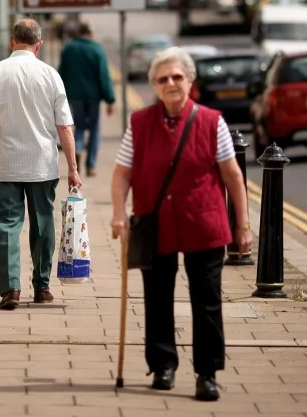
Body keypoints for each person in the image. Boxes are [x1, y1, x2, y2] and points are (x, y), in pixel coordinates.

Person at [109, 46, 252, 401]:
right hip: (154, 223)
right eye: (163, 79)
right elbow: (121, 173)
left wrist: (243, 225)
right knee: (157, 299)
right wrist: (117, 212)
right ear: (154, 85)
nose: (171, 83)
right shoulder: (140, 123)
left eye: (177, 77)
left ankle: (207, 373)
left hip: (203, 223)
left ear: (189, 80)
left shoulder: (211, 121)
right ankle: (163, 366)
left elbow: (232, 175)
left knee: (206, 301)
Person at [0, 18, 82, 310]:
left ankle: (10, 289)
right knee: (43, 224)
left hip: (2, 165)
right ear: (39, 45)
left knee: (6, 226)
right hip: (42, 165)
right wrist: (72, 167)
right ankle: (42, 286)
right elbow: (65, 128)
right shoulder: (50, 75)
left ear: (12, 42)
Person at [57, 22, 116, 177]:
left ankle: (78, 149)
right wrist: (110, 99)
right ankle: (91, 166)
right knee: (94, 129)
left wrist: (61, 95)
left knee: (80, 126)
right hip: (93, 97)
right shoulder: (96, 49)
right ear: (90, 33)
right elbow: (104, 76)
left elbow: (62, 72)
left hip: (75, 96)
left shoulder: (69, 49)